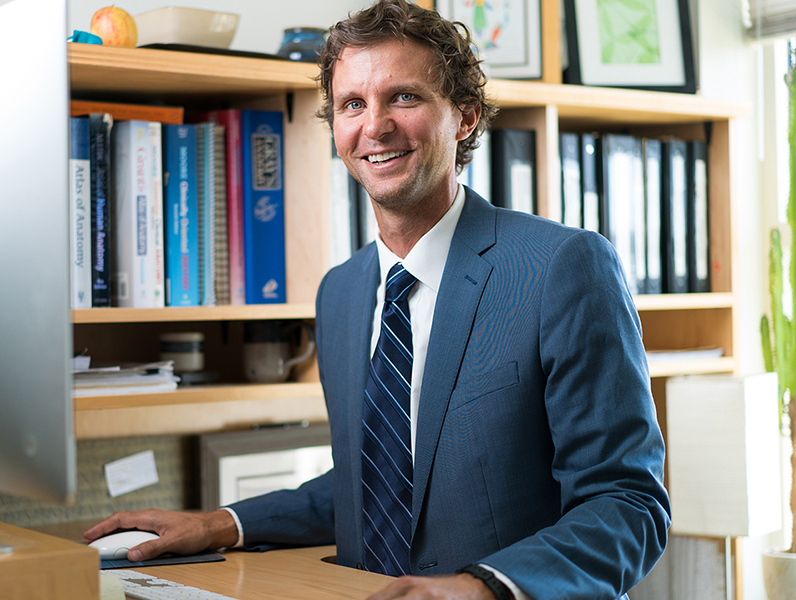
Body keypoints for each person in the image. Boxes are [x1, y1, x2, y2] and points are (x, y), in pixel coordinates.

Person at [85, 1, 671, 598]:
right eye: (352, 104)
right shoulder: (340, 292)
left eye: (405, 97)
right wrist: (223, 523)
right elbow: (380, 484)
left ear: (464, 116)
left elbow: (627, 505)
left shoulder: (561, 267)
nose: (376, 126)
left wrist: (482, 587)